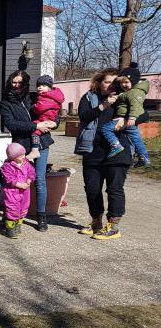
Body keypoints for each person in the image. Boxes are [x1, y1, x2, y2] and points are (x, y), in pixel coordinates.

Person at [77, 68, 132, 240]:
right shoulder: (89, 97)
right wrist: (104, 105)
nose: (111, 85)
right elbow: (84, 116)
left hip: (118, 150)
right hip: (93, 150)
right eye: (107, 81)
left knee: (114, 188)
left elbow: (142, 114)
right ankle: (96, 222)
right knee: (92, 188)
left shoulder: (126, 97)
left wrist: (126, 119)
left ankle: (113, 226)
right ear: (99, 82)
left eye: (115, 82)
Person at [0, 70, 57, 232]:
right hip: (20, 146)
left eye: (20, 82)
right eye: (14, 82)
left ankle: (41, 216)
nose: (17, 85)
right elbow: (11, 124)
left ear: (25, 83)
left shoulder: (34, 96)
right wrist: (35, 126)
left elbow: (51, 109)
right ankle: (11, 213)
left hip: (41, 144)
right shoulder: (5, 102)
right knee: (15, 181)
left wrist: (55, 122)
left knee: (39, 179)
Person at [102, 64, 151, 166]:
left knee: (106, 129)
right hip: (129, 121)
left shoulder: (133, 93)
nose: (123, 85)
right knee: (136, 139)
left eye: (126, 82)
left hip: (125, 119)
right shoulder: (129, 92)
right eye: (121, 82)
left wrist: (132, 118)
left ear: (133, 81)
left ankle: (116, 145)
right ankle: (144, 157)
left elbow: (136, 106)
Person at [0, 143, 36, 239]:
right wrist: (19, 184)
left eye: (23, 154)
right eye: (20, 156)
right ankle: (10, 229)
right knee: (12, 209)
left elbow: (31, 173)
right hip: (12, 192)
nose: (23, 157)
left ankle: (18, 226)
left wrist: (29, 180)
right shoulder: (7, 166)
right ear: (13, 157)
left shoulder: (26, 163)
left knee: (23, 208)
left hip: (25, 192)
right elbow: (8, 178)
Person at [28, 75, 65, 160]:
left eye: (43, 86)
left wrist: (34, 107)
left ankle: (35, 150)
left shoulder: (47, 97)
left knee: (35, 132)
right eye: (38, 86)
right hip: (49, 117)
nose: (40, 88)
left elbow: (40, 107)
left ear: (49, 88)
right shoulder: (52, 96)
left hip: (46, 118)